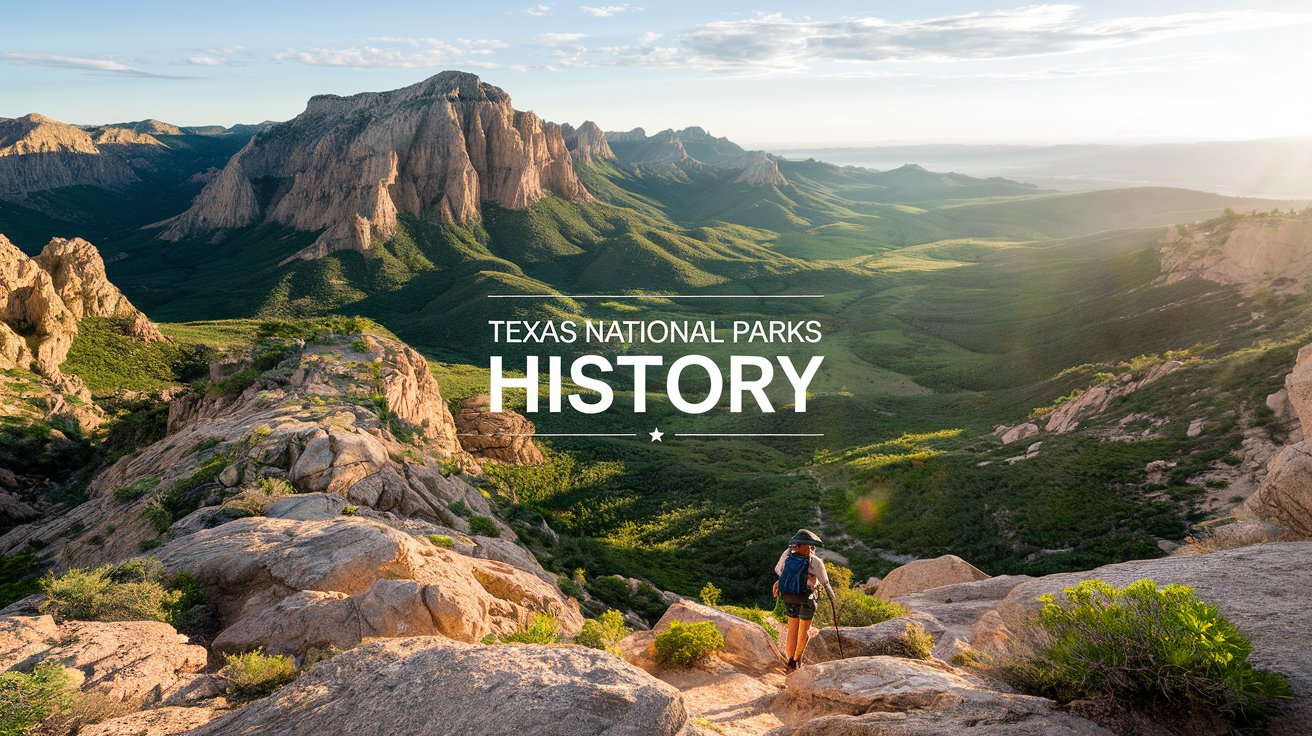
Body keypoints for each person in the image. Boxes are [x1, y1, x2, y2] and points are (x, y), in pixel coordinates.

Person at [773, 528, 834, 671]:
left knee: (792, 629)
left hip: (789, 597)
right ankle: (796, 660)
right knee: (803, 632)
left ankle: (790, 660)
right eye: (807, 546)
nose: (809, 549)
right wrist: (833, 600)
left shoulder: (787, 554)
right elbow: (826, 583)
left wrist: (785, 581)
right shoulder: (815, 560)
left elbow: (778, 570)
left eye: (810, 547)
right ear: (800, 546)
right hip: (807, 599)